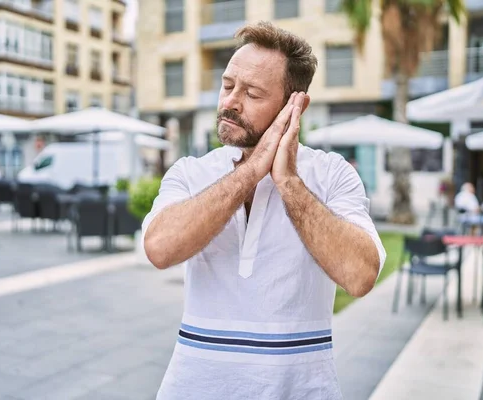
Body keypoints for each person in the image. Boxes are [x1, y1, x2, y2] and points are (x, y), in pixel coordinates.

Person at [142, 21, 385, 400]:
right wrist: (251, 173)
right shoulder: (191, 172)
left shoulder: (332, 174)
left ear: (295, 105)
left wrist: (287, 182)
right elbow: (159, 248)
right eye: (227, 86)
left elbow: (360, 276)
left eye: (252, 93)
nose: (230, 102)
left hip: (302, 391)